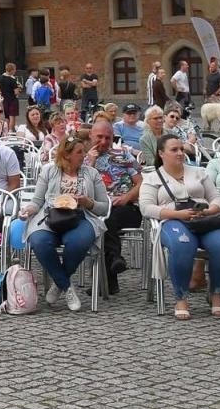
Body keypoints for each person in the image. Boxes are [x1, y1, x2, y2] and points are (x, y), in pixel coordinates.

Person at [140, 136, 220, 320]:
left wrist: (211, 210)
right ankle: (181, 297)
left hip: (205, 219)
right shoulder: (152, 177)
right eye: (174, 150)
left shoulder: (199, 172)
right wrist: (177, 214)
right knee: (182, 245)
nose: (180, 153)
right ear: (161, 153)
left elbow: (216, 197)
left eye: (182, 149)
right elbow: (146, 207)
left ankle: (215, 292)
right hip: (173, 220)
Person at [17, 134, 109, 312]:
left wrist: (87, 202)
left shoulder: (92, 173)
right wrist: (27, 210)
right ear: (67, 155)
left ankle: (59, 283)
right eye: (79, 152)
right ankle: (66, 286)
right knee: (39, 241)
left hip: (81, 216)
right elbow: (37, 201)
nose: (84, 155)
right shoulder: (49, 171)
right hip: (51, 215)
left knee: (78, 242)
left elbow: (103, 208)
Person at [87, 119, 141, 293]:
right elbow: (82, 187)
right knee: (104, 219)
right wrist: (91, 162)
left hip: (125, 207)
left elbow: (141, 183)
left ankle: (108, 272)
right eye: (99, 137)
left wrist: (127, 197)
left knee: (108, 219)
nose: (103, 142)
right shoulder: (81, 158)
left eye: (108, 138)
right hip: (95, 209)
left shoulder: (124, 155)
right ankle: (114, 263)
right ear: (90, 135)